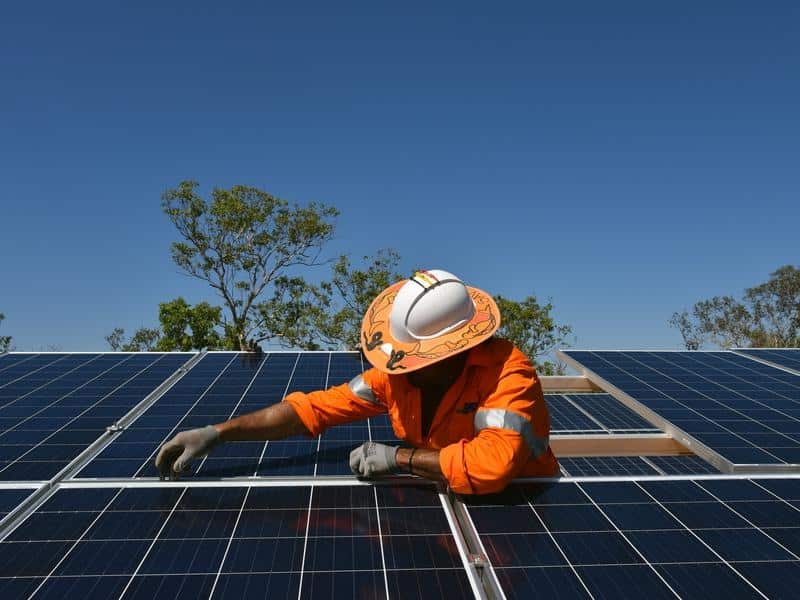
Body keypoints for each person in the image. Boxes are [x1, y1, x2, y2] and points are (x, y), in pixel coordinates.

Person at [155, 269, 558, 494]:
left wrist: (399, 459)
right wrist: (218, 433)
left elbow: (494, 467)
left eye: (419, 359)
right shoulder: (396, 377)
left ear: (454, 352)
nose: (405, 368)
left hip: (520, 503)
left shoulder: (507, 374)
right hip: (438, 498)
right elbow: (312, 409)